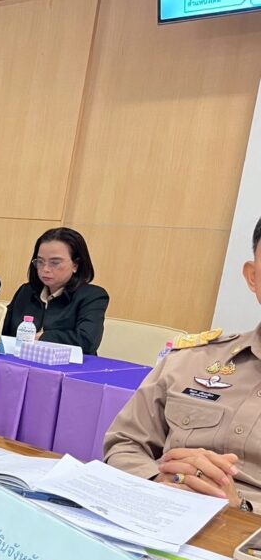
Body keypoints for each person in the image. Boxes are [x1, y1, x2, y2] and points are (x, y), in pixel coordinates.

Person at [104, 216, 261, 514]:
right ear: (253, 277)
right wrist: (158, 481)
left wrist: (240, 510)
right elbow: (124, 442)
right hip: (157, 515)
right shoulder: (191, 361)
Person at [2, 227, 109, 355]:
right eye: (40, 262)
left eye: (55, 263)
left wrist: (42, 338)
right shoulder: (26, 291)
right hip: (20, 361)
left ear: (76, 265)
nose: (45, 269)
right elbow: (1, 327)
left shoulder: (92, 296)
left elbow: (87, 341)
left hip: (68, 365)